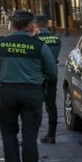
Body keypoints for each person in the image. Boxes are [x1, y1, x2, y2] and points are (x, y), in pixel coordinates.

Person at [0, 10, 58, 162]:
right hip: (32, 93)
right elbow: (52, 72)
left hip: (7, 93)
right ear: (30, 25)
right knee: (30, 134)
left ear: (12, 25)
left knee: (8, 133)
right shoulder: (39, 45)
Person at [33, 14, 61, 144]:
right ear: (47, 24)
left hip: (38, 75)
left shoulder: (35, 39)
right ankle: (51, 134)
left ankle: (31, 135)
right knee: (51, 105)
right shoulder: (56, 39)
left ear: (35, 25)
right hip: (52, 74)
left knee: (34, 106)